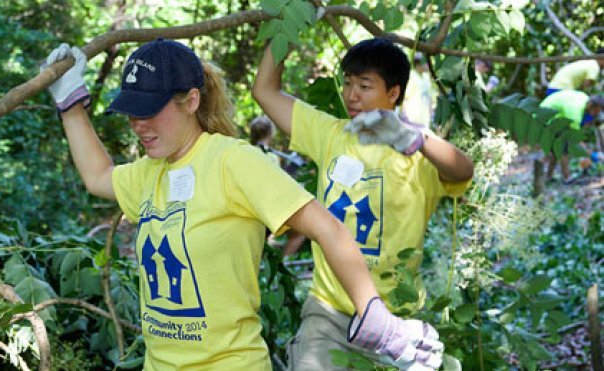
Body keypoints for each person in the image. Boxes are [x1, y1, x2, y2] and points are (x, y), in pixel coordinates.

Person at [41, 39, 443, 370]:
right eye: (132, 113)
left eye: (150, 112)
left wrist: (376, 317)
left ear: (192, 101)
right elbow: (97, 177)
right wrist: (70, 103)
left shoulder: (233, 161)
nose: (138, 125)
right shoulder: (150, 172)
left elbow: (327, 228)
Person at [253, 37, 473, 370]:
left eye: (365, 86)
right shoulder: (329, 133)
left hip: (398, 326)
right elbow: (265, 92)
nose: (351, 95)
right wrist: (288, 22)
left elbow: (463, 170)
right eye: (348, 83)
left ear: (393, 93)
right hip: (328, 316)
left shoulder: (417, 152)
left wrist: (419, 140)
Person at [249, 115, 308, 256]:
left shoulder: (246, 151)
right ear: (270, 133)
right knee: (299, 233)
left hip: (253, 209)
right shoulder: (271, 157)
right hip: (264, 212)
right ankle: (282, 267)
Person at [540, 90, 604, 183]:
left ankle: (548, 177)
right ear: (591, 105)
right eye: (596, 111)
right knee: (563, 146)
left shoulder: (584, 99)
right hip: (543, 117)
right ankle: (567, 178)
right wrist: (592, 155)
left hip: (552, 115)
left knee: (555, 150)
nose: (595, 114)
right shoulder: (574, 113)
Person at [402, 53, 434, 127]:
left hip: (424, 118)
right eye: (426, 63)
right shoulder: (411, 77)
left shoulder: (426, 77)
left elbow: (429, 96)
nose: (428, 65)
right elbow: (405, 98)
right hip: (413, 118)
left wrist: (430, 110)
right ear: (418, 64)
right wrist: (404, 117)